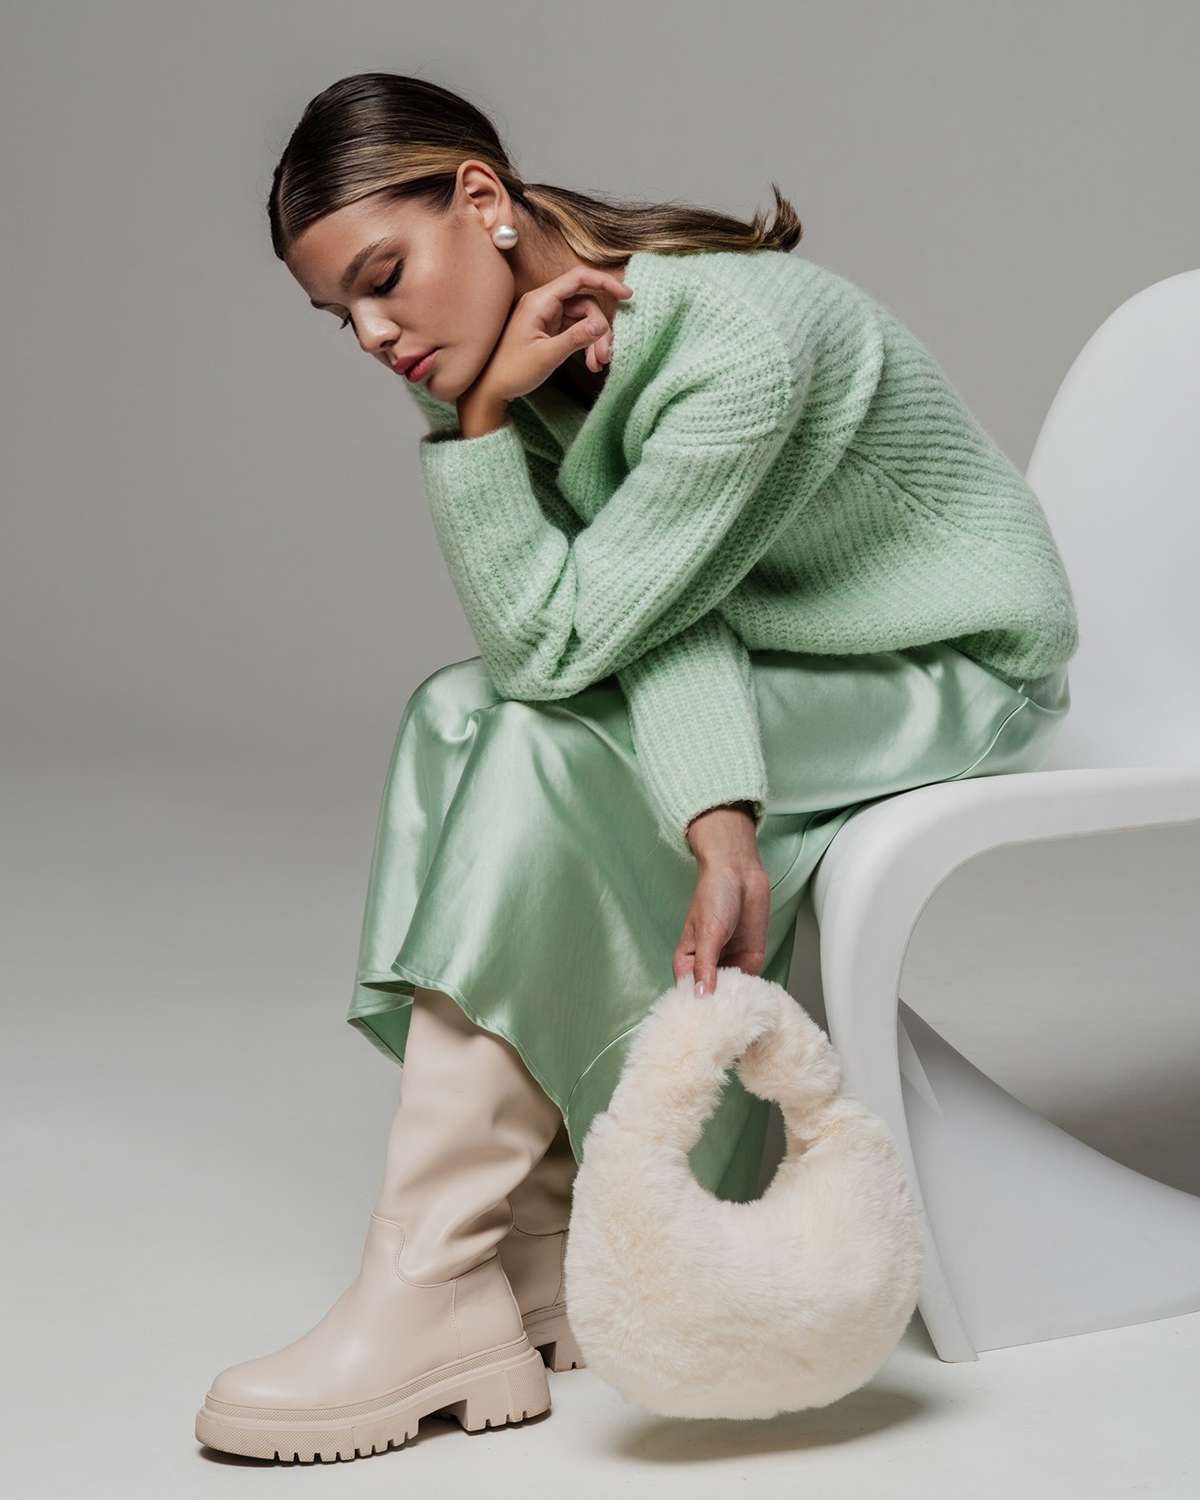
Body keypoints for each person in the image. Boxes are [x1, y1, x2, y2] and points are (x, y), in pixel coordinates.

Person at [195, 72, 1079, 1462]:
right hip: (773, 655)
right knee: (456, 713)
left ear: (480, 200)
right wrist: (716, 815)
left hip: (947, 665)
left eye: (381, 279)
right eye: (339, 315)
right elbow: (633, 626)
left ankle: (428, 1276)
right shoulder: (536, 359)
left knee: (533, 732)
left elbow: (567, 644)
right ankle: (544, 1233)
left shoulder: (736, 346)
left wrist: (475, 427)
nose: (372, 335)